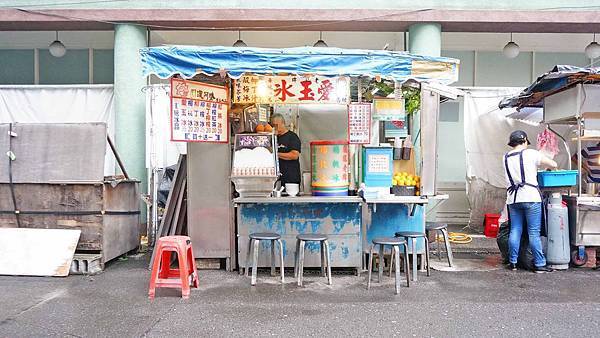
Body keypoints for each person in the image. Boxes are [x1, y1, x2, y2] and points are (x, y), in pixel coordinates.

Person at [503, 130, 557, 273]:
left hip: (513, 199)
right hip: (531, 197)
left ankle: (513, 262)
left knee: (515, 230)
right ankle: (539, 264)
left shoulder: (505, 157)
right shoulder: (531, 153)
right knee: (534, 232)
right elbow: (553, 163)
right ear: (525, 141)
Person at [270, 114, 301, 186]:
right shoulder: (274, 138)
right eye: (273, 125)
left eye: (276, 125)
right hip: (276, 178)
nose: (274, 127)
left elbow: (294, 155)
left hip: (290, 178)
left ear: (283, 123)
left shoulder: (292, 137)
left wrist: (275, 154)